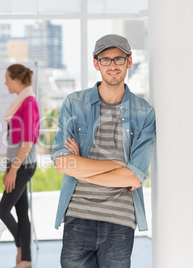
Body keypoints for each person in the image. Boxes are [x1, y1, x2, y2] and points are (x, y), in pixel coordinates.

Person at [51, 34, 156, 267]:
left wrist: (80, 165)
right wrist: (117, 165)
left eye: (118, 59)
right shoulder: (74, 104)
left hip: (120, 221)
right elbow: (62, 163)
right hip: (78, 215)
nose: (112, 65)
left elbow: (134, 175)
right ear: (95, 63)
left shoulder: (144, 112)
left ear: (129, 62)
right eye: (105, 60)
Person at [0, 64, 40, 268]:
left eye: (7, 79)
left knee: (3, 210)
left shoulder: (29, 103)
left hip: (23, 165)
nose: (5, 83)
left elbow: (28, 142)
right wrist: (9, 168)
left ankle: (21, 248)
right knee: (21, 212)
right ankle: (26, 259)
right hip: (15, 164)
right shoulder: (21, 101)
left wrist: (13, 170)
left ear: (16, 80)